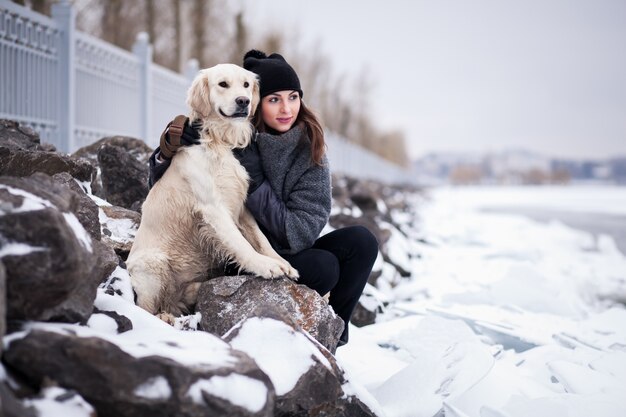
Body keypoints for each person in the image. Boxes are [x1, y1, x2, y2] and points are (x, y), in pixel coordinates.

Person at [148, 50, 378, 346]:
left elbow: (300, 233)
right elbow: (174, 191)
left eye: (293, 97)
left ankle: (331, 332)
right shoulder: (229, 131)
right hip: (232, 252)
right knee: (324, 267)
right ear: (257, 104)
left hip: (285, 247)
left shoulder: (311, 152)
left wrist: (253, 181)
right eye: (274, 99)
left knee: (361, 241)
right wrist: (165, 151)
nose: (286, 108)